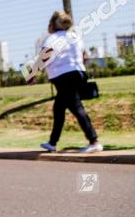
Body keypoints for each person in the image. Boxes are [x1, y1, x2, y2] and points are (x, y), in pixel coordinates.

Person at [33, 11, 102, 153]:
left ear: (52, 24)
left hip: (64, 77)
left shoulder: (51, 39)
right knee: (59, 108)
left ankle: (94, 141)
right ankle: (52, 143)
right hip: (79, 73)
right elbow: (84, 56)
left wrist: (32, 75)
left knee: (76, 107)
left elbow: (43, 59)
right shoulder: (75, 37)